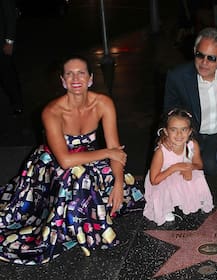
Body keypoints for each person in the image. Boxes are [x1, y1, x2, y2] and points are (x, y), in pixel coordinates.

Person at [0, 55, 144, 265]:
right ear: (63, 81)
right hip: (52, 162)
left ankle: (81, 217)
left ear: (91, 78)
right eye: (70, 73)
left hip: (88, 156)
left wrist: (119, 184)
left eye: (81, 73)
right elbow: (66, 160)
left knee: (120, 185)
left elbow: (116, 149)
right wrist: (107, 153)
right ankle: (85, 229)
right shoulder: (52, 111)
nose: (76, 78)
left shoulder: (103, 103)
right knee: (80, 178)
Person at [164, 27, 217, 188]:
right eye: (200, 55)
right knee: (168, 158)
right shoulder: (178, 76)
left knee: (210, 165)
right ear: (194, 51)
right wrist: (166, 134)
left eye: (211, 58)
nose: (204, 62)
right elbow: (168, 109)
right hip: (191, 133)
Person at [143, 108, 214, 226]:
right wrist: (174, 168)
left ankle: (193, 199)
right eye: (173, 130)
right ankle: (165, 207)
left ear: (190, 131)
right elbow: (154, 180)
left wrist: (189, 167)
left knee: (198, 176)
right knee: (167, 185)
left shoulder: (192, 145)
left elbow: (199, 165)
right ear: (165, 131)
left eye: (184, 129)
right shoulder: (161, 152)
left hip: (180, 172)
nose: (179, 134)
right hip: (163, 178)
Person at [0, 0, 23, 114]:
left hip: (2, 43)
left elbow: (10, 16)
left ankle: (17, 104)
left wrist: (9, 41)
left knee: (7, 75)